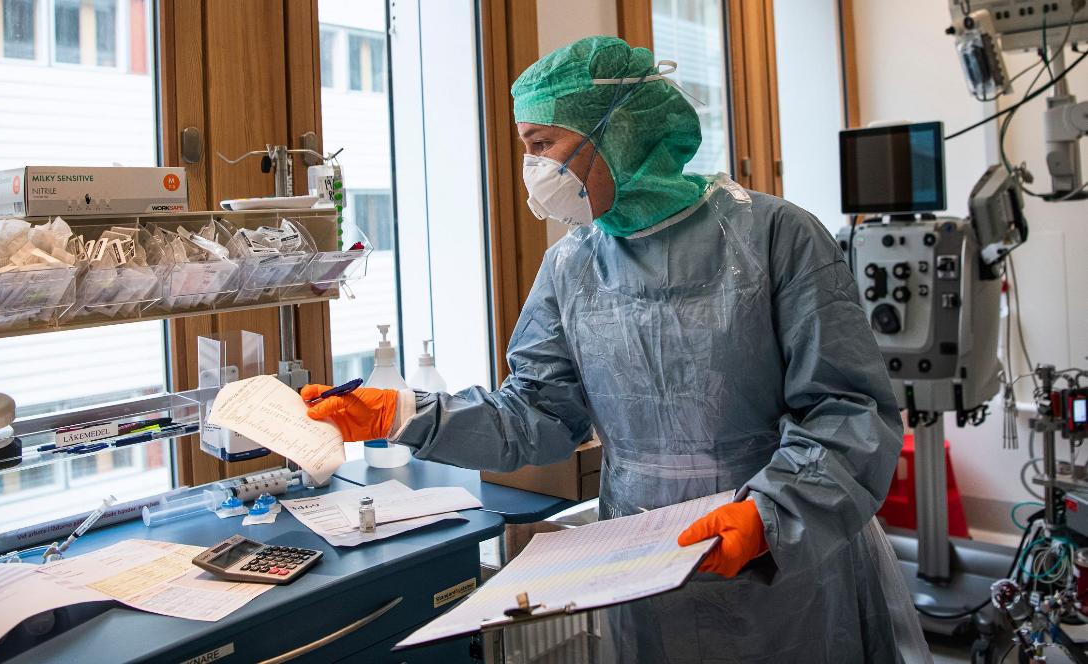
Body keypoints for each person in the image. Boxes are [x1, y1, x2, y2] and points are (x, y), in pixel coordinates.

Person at [304, 36, 927, 663]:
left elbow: (848, 411)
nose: (534, 169)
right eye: (526, 150)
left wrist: (772, 514)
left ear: (618, 129)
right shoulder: (571, 264)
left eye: (543, 144)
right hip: (640, 561)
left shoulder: (774, 235)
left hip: (780, 562)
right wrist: (405, 415)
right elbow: (538, 415)